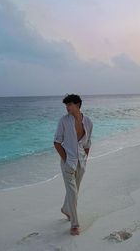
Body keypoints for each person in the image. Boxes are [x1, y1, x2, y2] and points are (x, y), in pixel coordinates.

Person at [53, 93, 93, 235]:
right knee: (73, 193)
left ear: (77, 105)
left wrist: (85, 158)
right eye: (66, 105)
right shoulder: (63, 121)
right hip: (68, 163)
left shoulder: (88, 122)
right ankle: (74, 224)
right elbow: (57, 143)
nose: (67, 108)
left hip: (81, 162)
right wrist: (66, 161)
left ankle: (66, 208)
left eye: (69, 104)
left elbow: (87, 143)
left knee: (74, 192)